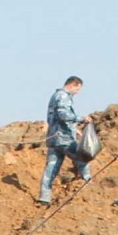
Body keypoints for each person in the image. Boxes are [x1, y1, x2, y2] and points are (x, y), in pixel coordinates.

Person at [38, 75, 91, 206]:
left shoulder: (55, 95)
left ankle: (44, 197)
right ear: (73, 85)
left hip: (54, 137)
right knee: (83, 158)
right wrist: (81, 118)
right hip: (64, 138)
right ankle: (88, 186)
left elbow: (57, 117)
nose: (77, 92)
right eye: (78, 89)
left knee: (51, 167)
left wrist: (75, 129)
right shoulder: (63, 96)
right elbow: (63, 115)